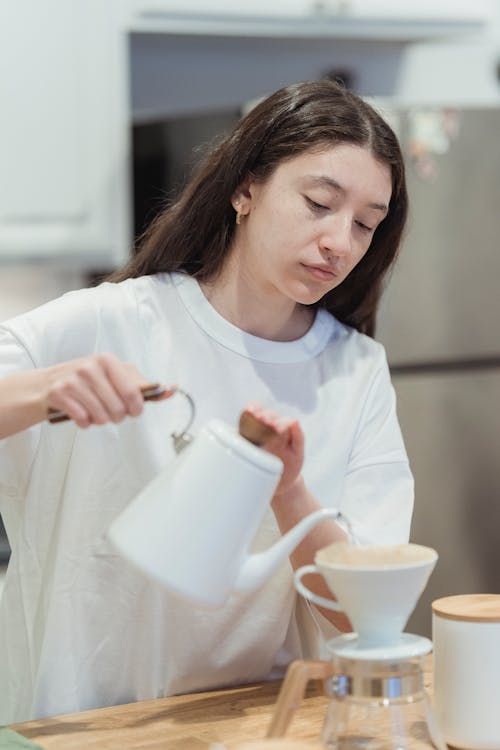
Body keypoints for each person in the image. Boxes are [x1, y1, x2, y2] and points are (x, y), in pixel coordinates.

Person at [0, 80, 413, 724]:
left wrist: (291, 493)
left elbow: (362, 612)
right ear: (245, 189)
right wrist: (44, 390)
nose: (340, 242)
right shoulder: (114, 323)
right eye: (318, 204)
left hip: (255, 722)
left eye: (365, 224)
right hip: (75, 721)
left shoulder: (354, 372)